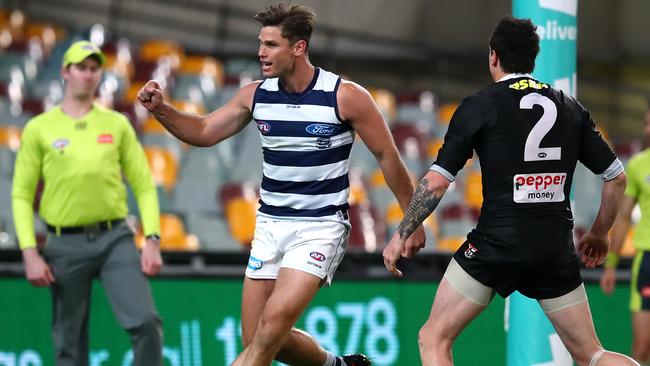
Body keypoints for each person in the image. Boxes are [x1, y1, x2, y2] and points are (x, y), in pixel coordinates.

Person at [138, 3, 426, 365]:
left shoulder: (346, 96)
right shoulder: (255, 95)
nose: (261, 52)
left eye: (271, 44)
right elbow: (203, 131)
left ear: (298, 48)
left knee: (268, 330)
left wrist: (411, 218)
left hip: (320, 227)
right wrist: (162, 109)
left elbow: (387, 156)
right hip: (270, 226)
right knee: (259, 336)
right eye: (261, 43)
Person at [383, 16, 639, 366]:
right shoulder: (570, 107)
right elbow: (617, 178)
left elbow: (439, 180)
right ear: (534, 59)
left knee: (433, 338)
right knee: (592, 354)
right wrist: (599, 233)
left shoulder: (478, 105)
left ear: (493, 57)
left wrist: (402, 232)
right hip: (553, 249)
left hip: (495, 245)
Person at [12, 40, 164, 366]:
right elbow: (22, 194)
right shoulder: (40, 128)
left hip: (115, 238)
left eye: (95, 68)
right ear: (66, 71)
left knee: (147, 323)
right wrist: (29, 252)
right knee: (69, 344)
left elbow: (144, 184)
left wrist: (152, 238)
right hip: (64, 243)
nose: (88, 74)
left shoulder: (117, 124)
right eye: (81, 67)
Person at [600, 102, 650, 364]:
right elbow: (624, 217)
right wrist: (611, 264)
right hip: (647, 263)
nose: (647, 129)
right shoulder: (639, 166)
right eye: (646, 123)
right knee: (642, 348)